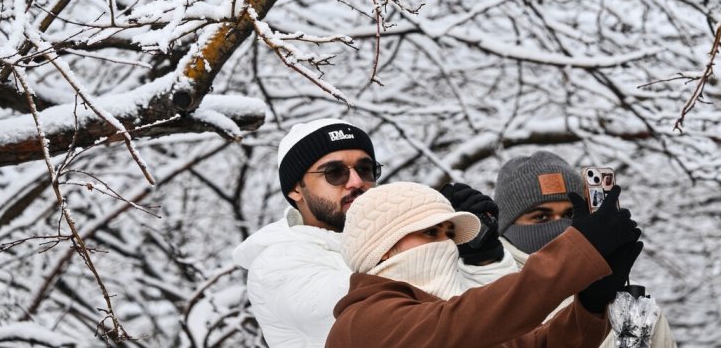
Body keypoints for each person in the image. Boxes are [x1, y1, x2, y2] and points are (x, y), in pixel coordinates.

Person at [231, 118, 516, 348]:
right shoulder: (276, 264)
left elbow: (500, 319)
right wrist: (426, 233)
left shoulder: (400, 243)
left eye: (366, 169)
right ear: (295, 189)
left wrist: (481, 254)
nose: (356, 182)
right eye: (334, 172)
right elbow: (387, 309)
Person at [326, 181, 643, 348]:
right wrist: (579, 250)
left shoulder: (437, 319)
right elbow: (471, 317)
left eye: (450, 234)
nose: (447, 245)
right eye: (430, 232)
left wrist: (590, 302)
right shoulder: (364, 322)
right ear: (383, 248)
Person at [494, 150, 678, 348]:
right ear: (507, 226)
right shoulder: (489, 294)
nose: (559, 226)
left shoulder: (630, 302)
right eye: (541, 217)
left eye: (571, 214)